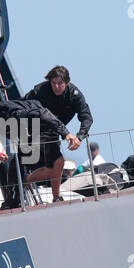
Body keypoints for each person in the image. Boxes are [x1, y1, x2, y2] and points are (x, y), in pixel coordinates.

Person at [0, 100, 79, 208]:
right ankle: (13, 201)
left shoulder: (9, 114)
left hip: (45, 127)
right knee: (15, 167)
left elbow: (42, 113)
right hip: (29, 135)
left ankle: (55, 197)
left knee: (54, 163)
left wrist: (66, 134)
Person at [19, 66, 93, 197]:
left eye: (60, 83)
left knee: (56, 165)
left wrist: (79, 137)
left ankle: (54, 196)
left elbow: (87, 118)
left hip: (54, 131)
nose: (57, 86)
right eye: (53, 83)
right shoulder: (40, 91)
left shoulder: (75, 95)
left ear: (67, 82)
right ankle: (22, 183)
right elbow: (21, 106)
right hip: (33, 129)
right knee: (39, 161)